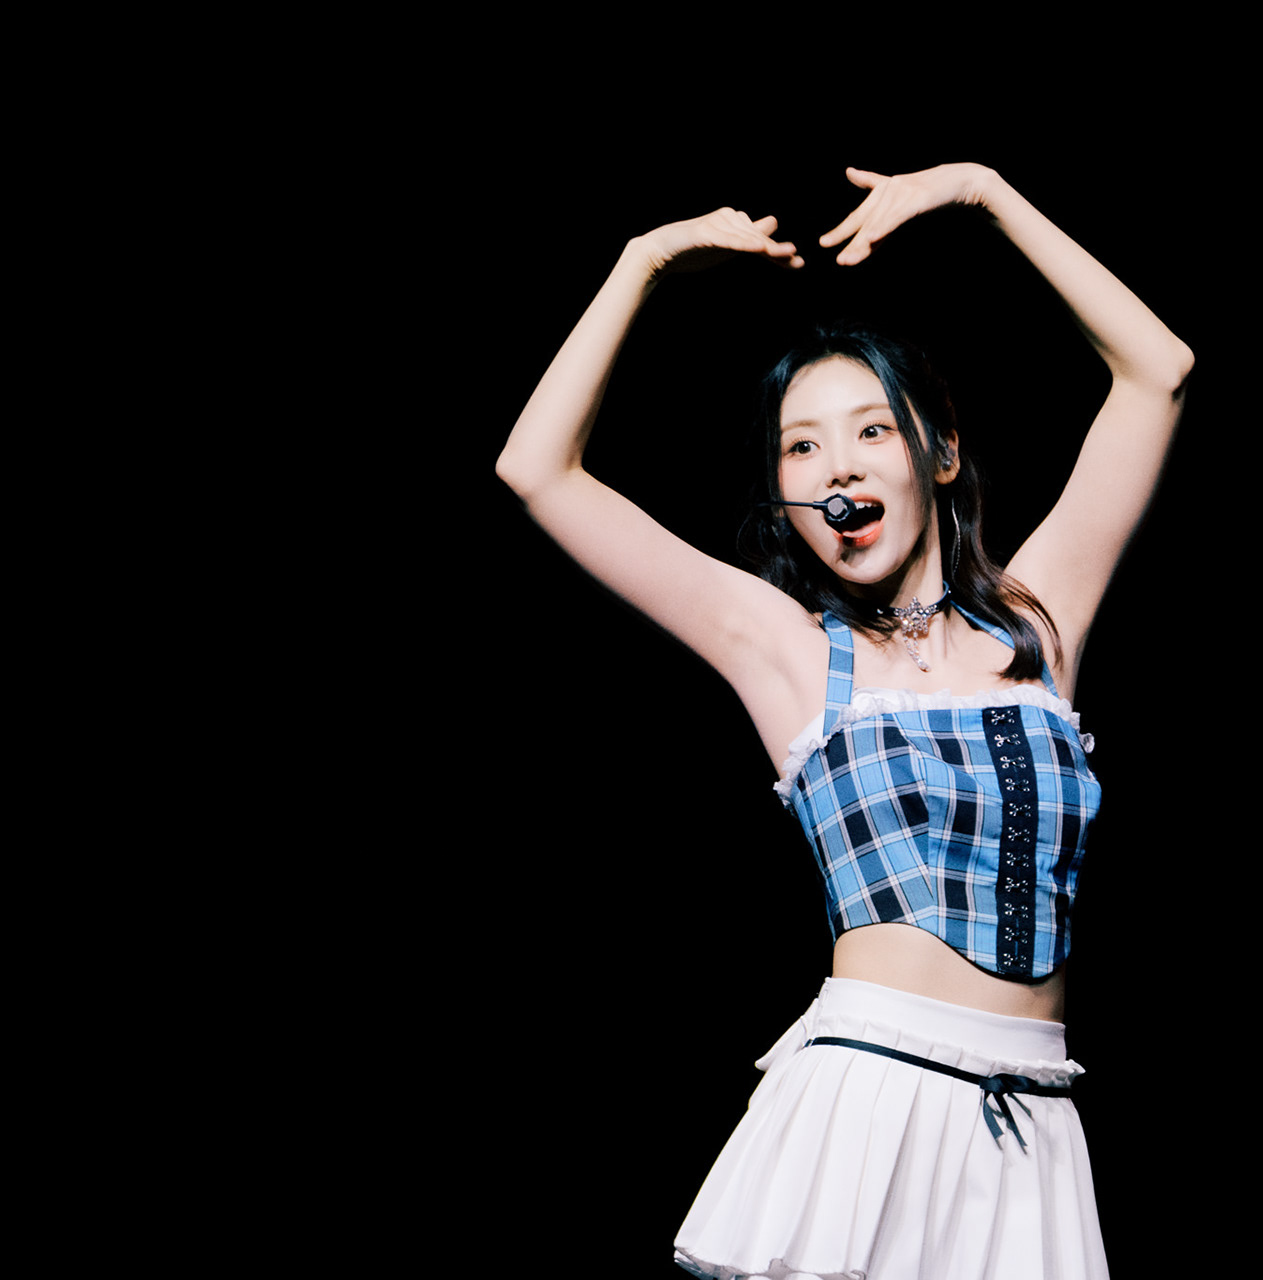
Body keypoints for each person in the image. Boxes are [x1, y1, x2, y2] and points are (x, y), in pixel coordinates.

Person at [495, 163, 1191, 1280]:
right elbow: (537, 468)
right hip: (869, 1096)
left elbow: (1158, 372)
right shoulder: (786, 650)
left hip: (1032, 1119)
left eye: (872, 430)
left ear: (941, 454)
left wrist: (986, 192)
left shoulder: (1037, 623)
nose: (838, 467)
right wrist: (644, 259)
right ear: (785, 494)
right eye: (802, 445)